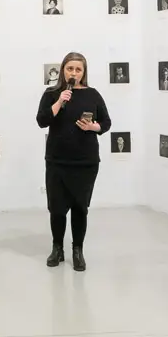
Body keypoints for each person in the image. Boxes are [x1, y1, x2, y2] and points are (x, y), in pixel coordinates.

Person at [35, 53, 111, 271]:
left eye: (78, 69)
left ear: (84, 72)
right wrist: (60, 101)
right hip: (57, 161)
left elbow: (106, 122)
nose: (74, 73)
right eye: (70, 69)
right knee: (57, 209)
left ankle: (78, 250)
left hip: (85, 162)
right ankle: (57, 248)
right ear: (63, 70)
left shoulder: (93, 95)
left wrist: (93, 127)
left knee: (80, 208)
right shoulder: (52, 94)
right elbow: (42, 120)